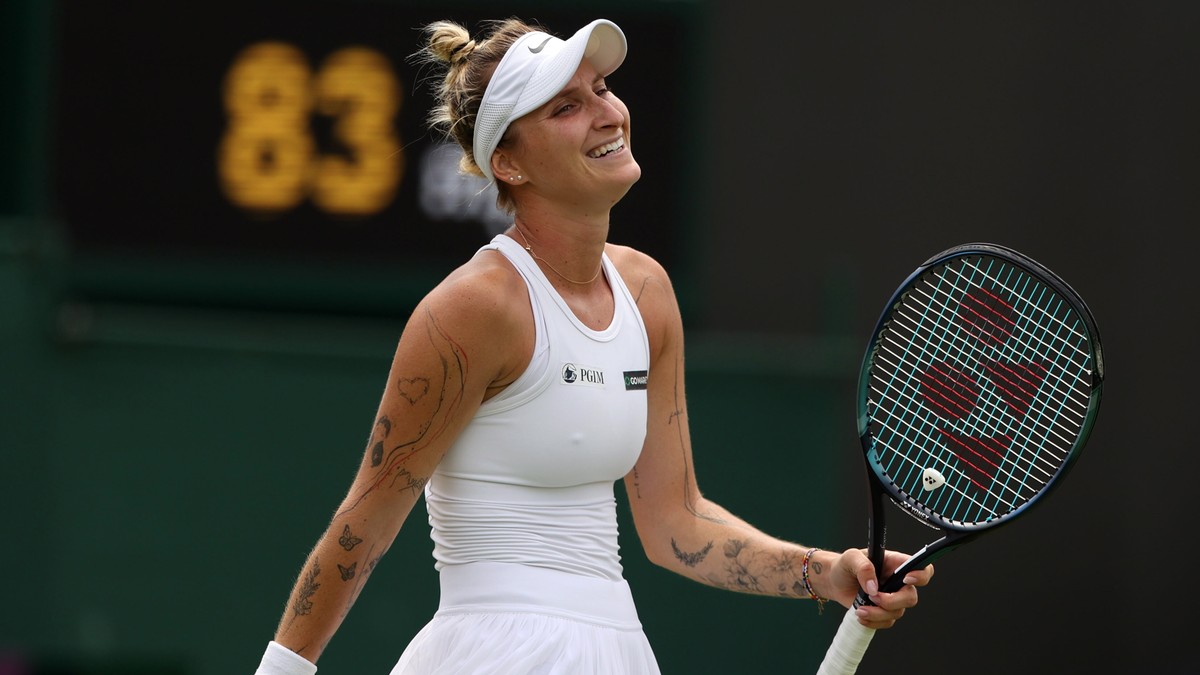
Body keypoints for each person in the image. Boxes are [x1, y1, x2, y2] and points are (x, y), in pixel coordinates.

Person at [253, 17, 933, 675]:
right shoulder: (474, 307)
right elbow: (364, 523)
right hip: (491, 652)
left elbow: (677, 521)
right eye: (566, 107)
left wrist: (827, 573)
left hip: (616, 648)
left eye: (602, 89)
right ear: (508, 163)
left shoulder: (645, 291)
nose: (607, 114)